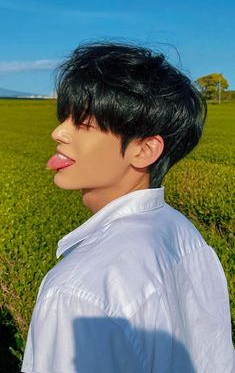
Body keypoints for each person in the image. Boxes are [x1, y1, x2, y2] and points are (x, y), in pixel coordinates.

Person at [21, 42, 234, 372]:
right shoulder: (187, 237)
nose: (58, 132)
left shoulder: (77, 290)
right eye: (65, 117)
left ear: (145, 150)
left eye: (83, 123)